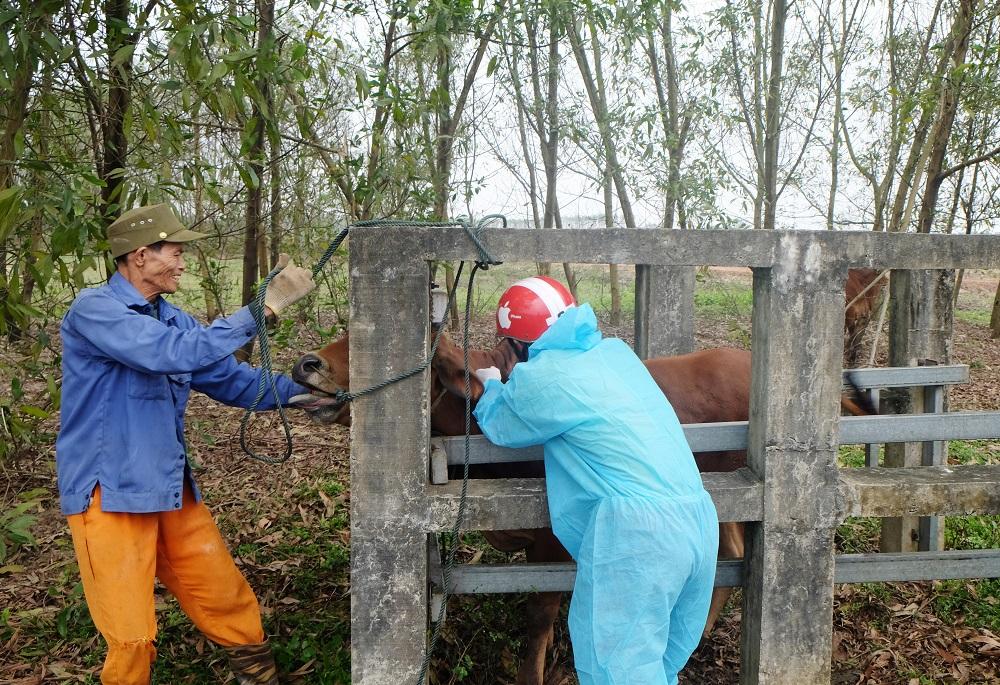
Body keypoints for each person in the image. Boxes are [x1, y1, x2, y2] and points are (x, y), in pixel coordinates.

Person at [56, 203, 316, 685]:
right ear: (140, 255)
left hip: (168, 485)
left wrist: (308, 394)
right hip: (110, 491)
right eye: (174, 251)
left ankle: (258, 676)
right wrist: (262, 309)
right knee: (131, 636)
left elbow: (229, 379)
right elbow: (166, 353)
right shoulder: (96, 311)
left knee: (225, 598)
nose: (182, 262)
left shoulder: (174, 320)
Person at [472, 275, 719, 685]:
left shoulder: (544, 376)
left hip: (639, 538)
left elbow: (502, 425)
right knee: (658, 668)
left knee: (616, 671)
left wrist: (493, 384)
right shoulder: (615, 354)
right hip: (697, 521)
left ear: (517, 344)